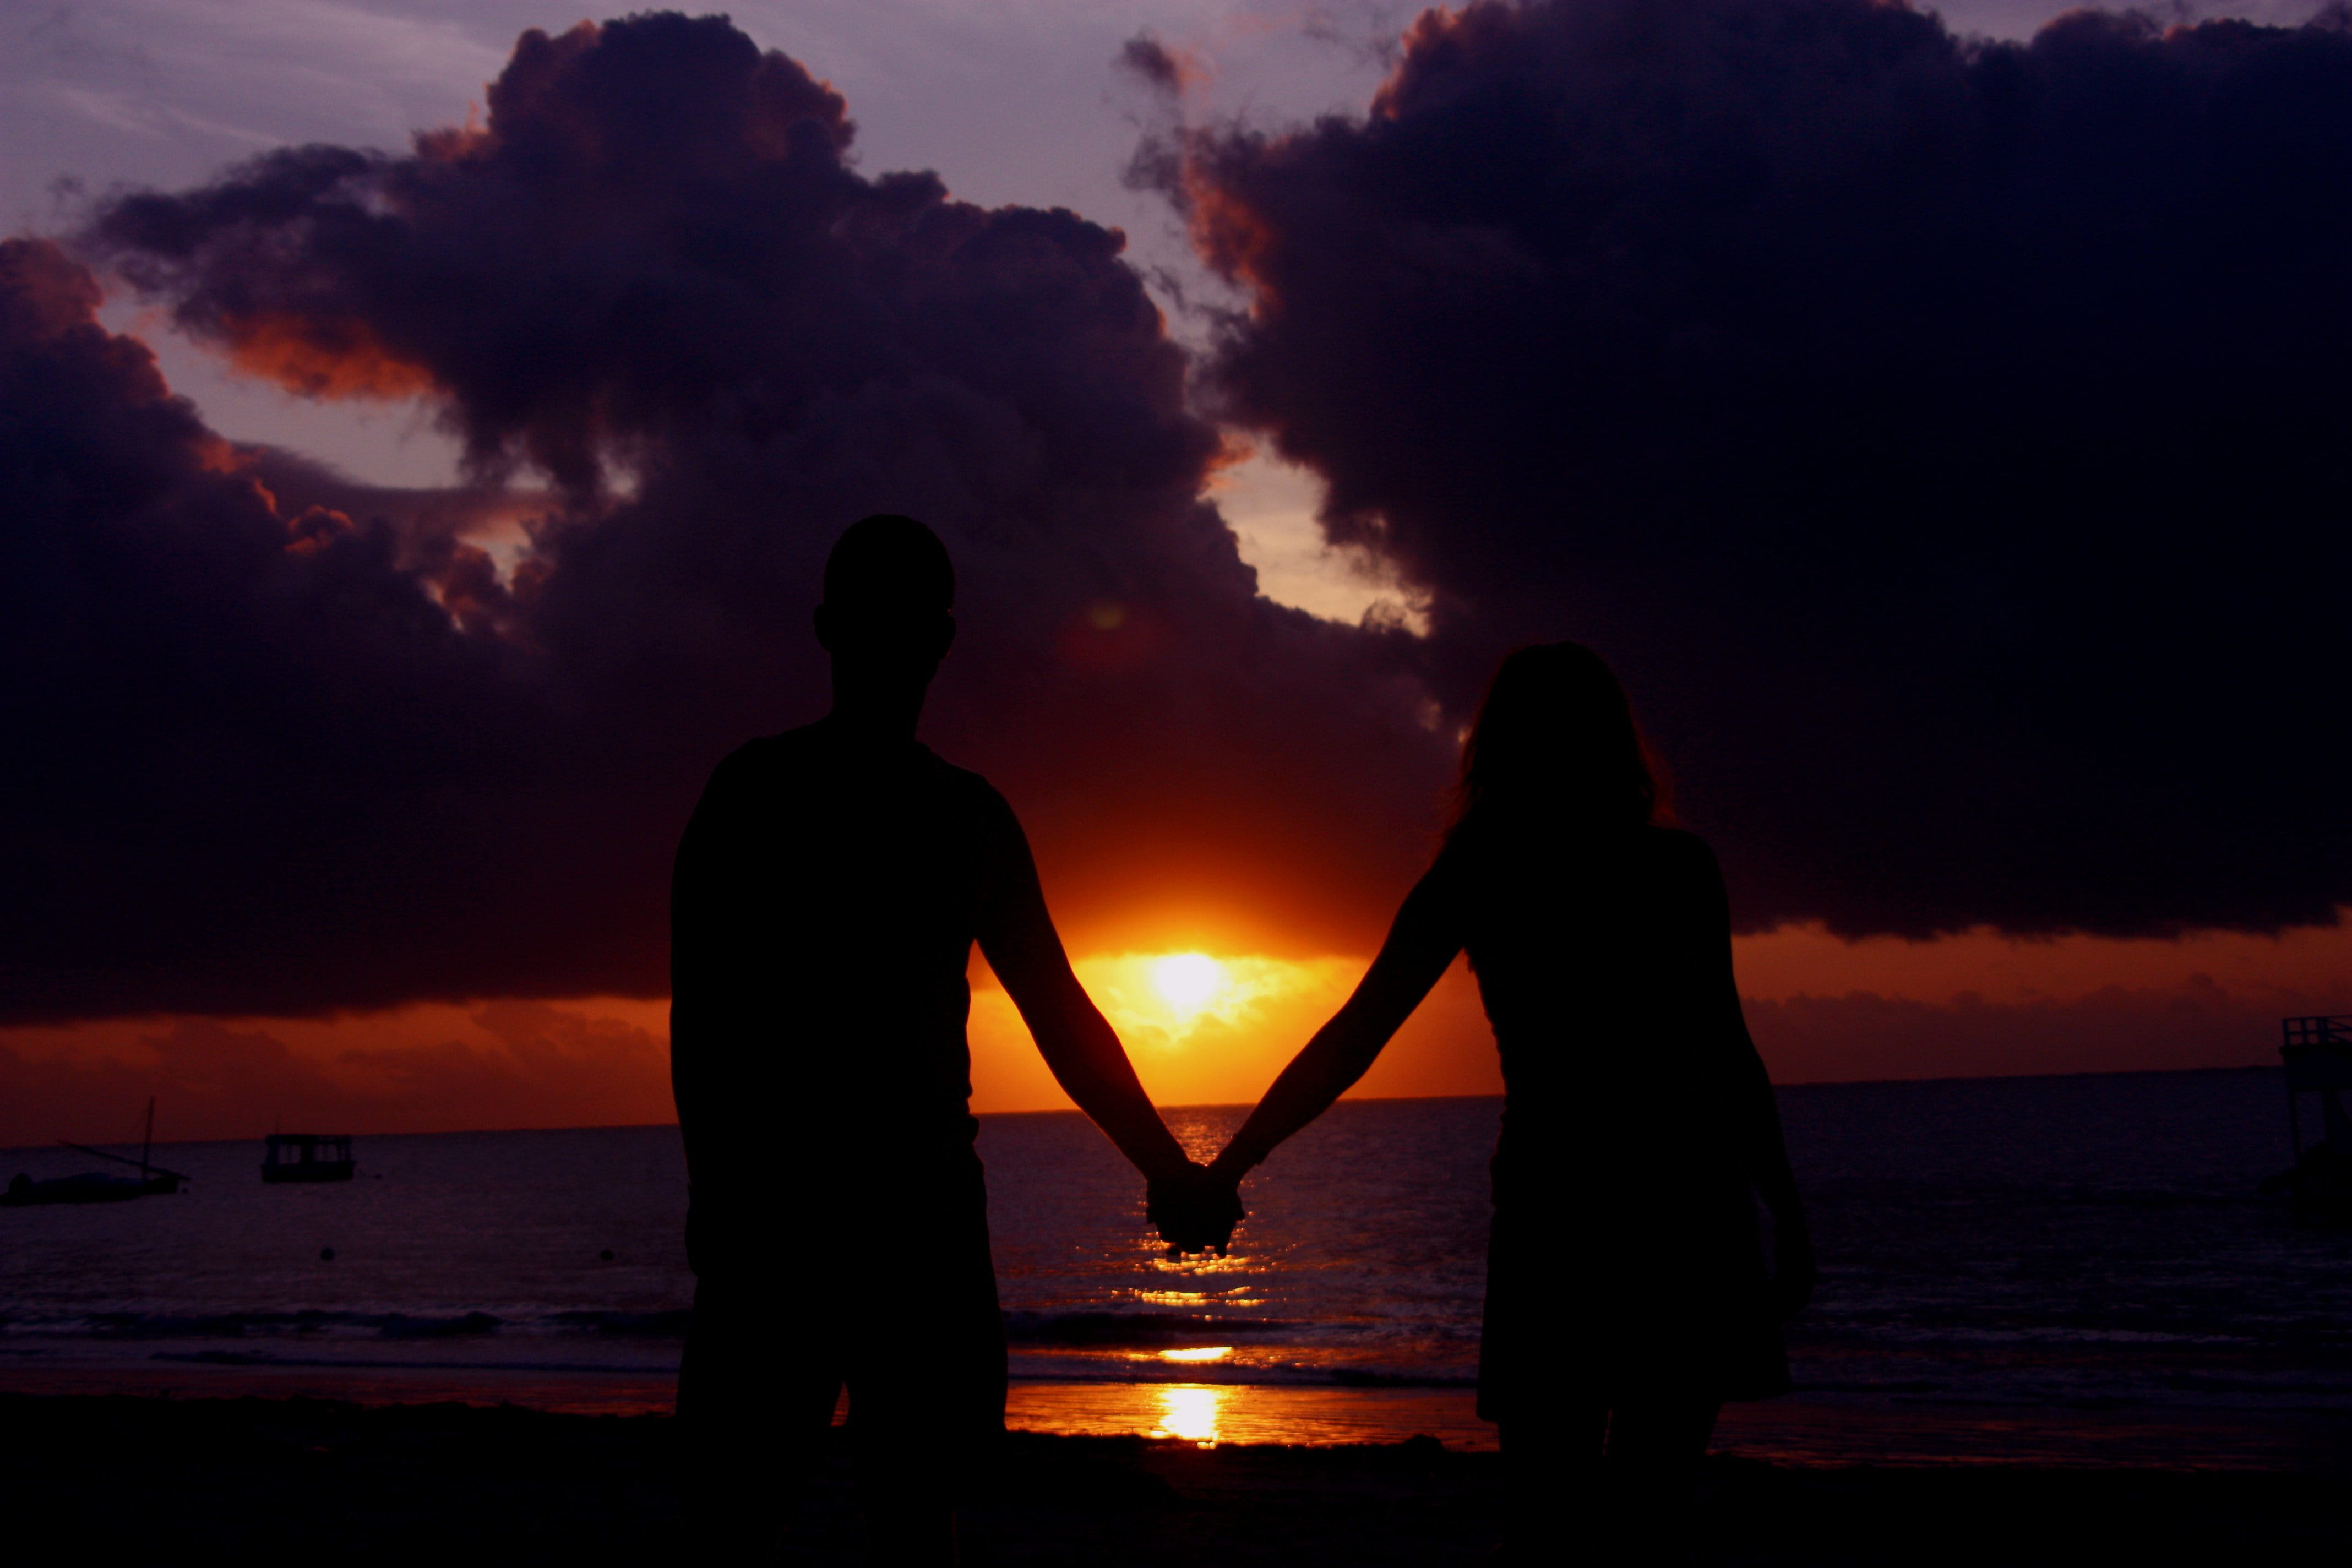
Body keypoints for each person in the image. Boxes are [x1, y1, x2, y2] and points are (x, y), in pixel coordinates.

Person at [669, 515, 1237, 1564]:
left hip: (849, 1212)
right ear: (938, 639)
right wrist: (1169, 1172)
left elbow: (704, 1019)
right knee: (854, 1517)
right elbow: (1058, 1014)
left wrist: (1168, 1165)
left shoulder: (786, 796)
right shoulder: (900, 809)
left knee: (793, 1515)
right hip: (846, 1214)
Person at [1196, 642, 1814, 1563]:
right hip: (1677, 1198)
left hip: (1563, 1201)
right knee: (1646, 1509)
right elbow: (1729, 1052)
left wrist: (1232, 1165)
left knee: (1555, 1518)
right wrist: (1786, 1209)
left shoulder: (1485, 870)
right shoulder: (1668, 867)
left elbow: (1358, 1032)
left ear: (1498, 745)